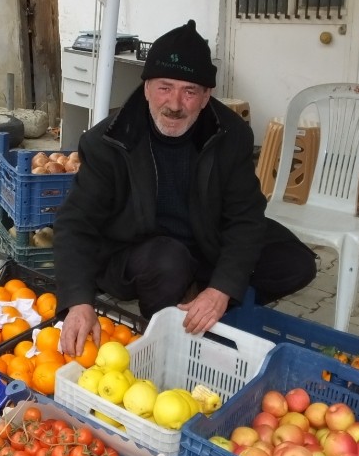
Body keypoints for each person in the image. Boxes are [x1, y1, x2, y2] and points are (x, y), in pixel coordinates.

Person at [54, 19, 317, 356]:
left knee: (294, 262)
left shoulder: (231, 134)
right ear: (147, 87)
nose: (175, 104)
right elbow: (75, 224)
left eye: (189, 91)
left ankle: (202, 301)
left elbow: (246, 217)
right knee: (168, 261)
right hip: (138, 251)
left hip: (206, 243)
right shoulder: (109, 140)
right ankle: (164, 340)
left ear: (206, 96)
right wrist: (78, 301)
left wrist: (222, 288)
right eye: (165, 87)